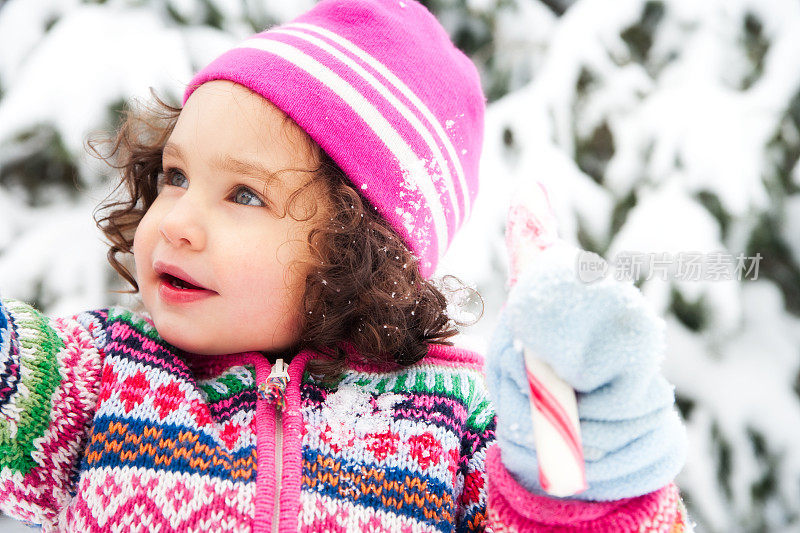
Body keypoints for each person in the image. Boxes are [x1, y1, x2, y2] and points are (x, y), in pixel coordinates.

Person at [0, 0, 690, 531]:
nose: (174, 220)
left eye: (244, 193)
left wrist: (601, 470)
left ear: (359, 251)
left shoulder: (457, 422)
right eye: (175, 176)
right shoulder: (101, 375)